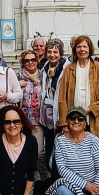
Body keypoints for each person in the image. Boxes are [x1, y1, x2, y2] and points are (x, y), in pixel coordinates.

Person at [56, 35, 99, 143]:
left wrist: (89, 109)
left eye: (85, 47)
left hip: (94, 120)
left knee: (96, 154)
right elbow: (62, 98)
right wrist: (64, 123)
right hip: (73, 121)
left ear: (90, 49)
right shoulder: (69, 69)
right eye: (79, 47)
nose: (82, 50)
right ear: (75, 49)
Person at [38, 39, 66, 178]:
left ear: (61, 53)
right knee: (49, 145)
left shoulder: (66, 68)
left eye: (55, 51)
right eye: (49, 51)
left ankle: (59, 175)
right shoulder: (44, 67)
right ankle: (51, 176)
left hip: (60, 114)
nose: (52, 54)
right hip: (47, 114)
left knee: (60, 148)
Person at [16, 50, 44, 171]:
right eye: (27, 60)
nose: (30, 63)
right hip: (23, 121)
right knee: (23, 150)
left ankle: (43, 175)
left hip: (39, 120)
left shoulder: (43, 76)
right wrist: (17, 85)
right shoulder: (18, 77)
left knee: (38, 152)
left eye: (33, 60)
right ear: (23, 63)